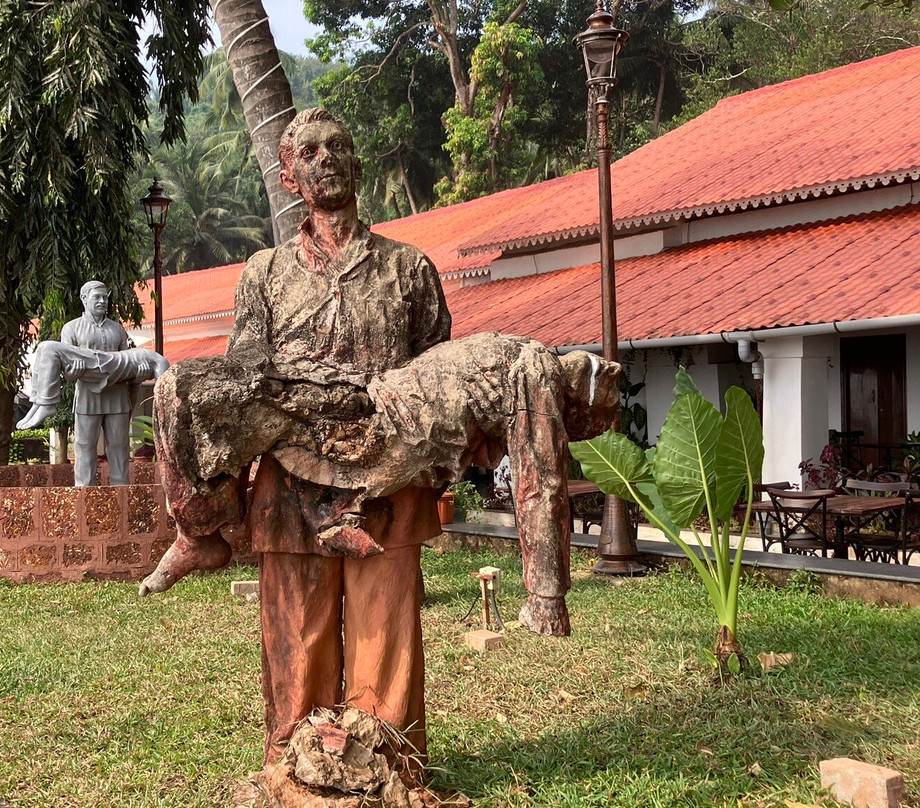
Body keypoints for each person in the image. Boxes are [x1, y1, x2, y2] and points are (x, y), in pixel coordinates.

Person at [142, 109, 620, 778]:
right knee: (297, 641)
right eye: (309, 150)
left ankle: (389, 767)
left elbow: (433, 371)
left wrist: (442, 458)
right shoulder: (264, 273)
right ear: (290, 176)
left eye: (339, 145)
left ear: (357, 164)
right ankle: (291, 768)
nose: (327, 157)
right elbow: (246, 370)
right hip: (294, 472)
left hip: (388, 471)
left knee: (385, 631)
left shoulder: (408, 268)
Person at [59, 281, 147, 486]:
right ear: (84, 299)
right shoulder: (71, 328)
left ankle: (121, 495)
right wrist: (75, 370)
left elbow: (128, 363)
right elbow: (66, 371)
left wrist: (138, 374)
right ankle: (84, 497)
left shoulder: (117, 329)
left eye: (105, 297)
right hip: (87, 397)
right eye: (97, 297)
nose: (102, 301)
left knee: (119, 448)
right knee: (85, 447)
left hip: (117, 396)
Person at [17, 341, 169, 431]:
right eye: (97, 296)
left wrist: (137, 379)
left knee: (48, 348)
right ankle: (39, 403)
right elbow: (162, 391)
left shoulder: (156, 361)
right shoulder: (154, 359)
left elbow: (155, 393)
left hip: (106, 366)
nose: (102, 301)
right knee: (43, 348)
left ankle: (46, 403)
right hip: (104, 362)